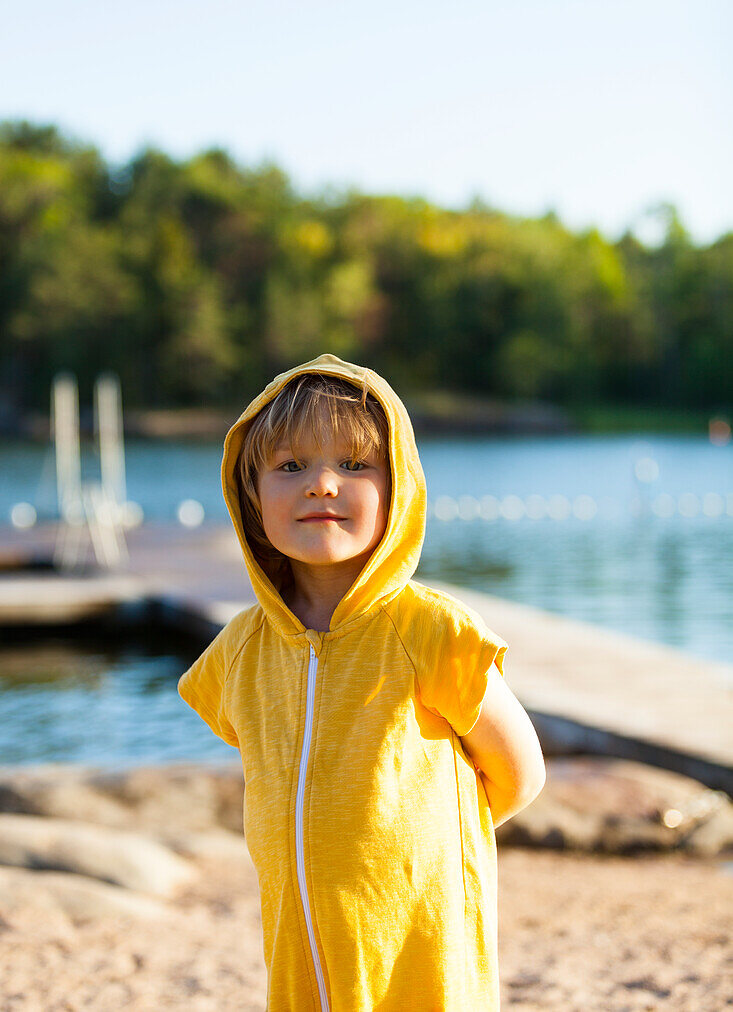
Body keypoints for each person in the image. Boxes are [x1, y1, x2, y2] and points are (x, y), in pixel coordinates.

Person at [178, 352, 546, 1011]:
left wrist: (421, 840)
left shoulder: (428, 631)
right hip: (300, 940)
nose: (321, 484)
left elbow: (520, 772)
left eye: (352, 464)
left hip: (415, 936)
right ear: (250, 493)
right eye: (290, 466)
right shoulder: (241, 650)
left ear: (397, 484)